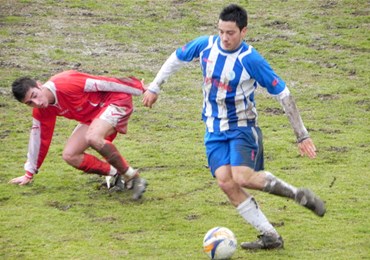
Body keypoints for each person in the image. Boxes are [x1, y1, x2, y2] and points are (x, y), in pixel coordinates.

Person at [142, 4, 325, 250]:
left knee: (242, 177)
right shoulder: (205, 45)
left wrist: (301, 135)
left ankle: (297, 194)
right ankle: (270, 235)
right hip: (213, 129)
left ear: (243, 31)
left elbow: (283, 93)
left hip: (242, 128)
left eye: (230, 33)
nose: (225, 38)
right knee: (226, 182)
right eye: (221, 32)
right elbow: (176, 57)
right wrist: (155, 86)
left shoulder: (250, 60)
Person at [9, 70, 147, 200]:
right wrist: (29, 173)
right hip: (94, 117)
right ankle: (117, 174)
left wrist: (141, 88)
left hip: (116, 101)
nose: (37, 103)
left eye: (34, 95)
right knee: (70, 155)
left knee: (93, 137)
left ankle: (133, 178)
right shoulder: (42, 110)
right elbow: (38, 139)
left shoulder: (65, 82)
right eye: (29, 103)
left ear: (39, 85)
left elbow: (104, 82)